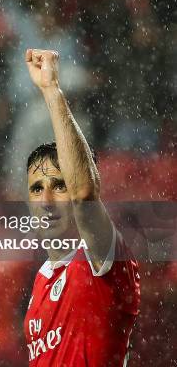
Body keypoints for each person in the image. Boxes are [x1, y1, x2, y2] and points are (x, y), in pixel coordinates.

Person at [22, 49, 140, 366]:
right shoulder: (41, 279)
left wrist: (51, 90)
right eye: (36, 189)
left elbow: (85, 194)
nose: (46, 201)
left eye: (59, 185)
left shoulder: (102, 257)